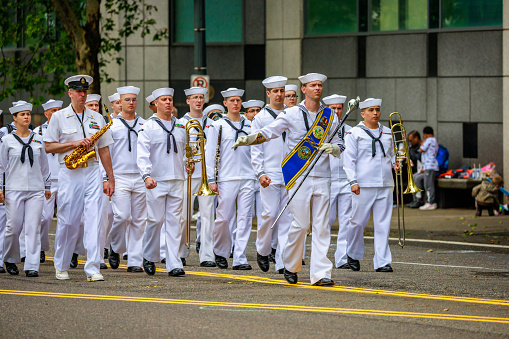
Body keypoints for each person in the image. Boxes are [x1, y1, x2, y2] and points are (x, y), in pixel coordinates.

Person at [234, 73, 344, 286]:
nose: (317, 89)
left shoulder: (331, 115)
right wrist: (249, 139)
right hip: (298, 174)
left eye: (320, 85)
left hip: (323, 175)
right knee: (301, 224)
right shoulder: (292, 113)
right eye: (313, 85)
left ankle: (321, 273)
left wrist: (335, 148)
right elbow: (270, 132)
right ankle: (291, 264)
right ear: (304, 89)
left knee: (322, 226)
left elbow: (340, 141)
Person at [44, 75, 115, 282]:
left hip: (92, 170)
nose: (83, 95)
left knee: (95, 219)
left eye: (85, 91)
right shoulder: (58, 117)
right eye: (79, 91)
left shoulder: (97, 118)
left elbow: (104, 150)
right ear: (70, 93)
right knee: (68, 220)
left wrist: (110, 178)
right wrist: (74, 144)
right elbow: (49, 146)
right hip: (70, 172)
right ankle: (62, 264)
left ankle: (93, 267)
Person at [137, 87, 190, 277]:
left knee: (175, 222)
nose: (168, 102)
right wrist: (146, 175)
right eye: (164, 100)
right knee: (155, 220)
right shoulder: (148, 126)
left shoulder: (181, 125)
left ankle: (174, 263)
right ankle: (149, 256)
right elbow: (142, 154)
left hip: (176, 178)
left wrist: (187, 165)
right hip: (156, 180)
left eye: (170, 99)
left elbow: (183, 152)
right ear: (156, 104)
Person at [343, 98, 399, 273]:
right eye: (371, 110)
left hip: (385, 183)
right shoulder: (355, 133)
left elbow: (392, 154)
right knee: (358, 222)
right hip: (363, 184)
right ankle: (352, 253)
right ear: (362, 113)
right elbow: (349, 161)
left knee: (383, 223)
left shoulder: (388, 132)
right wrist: (353, 181)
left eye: (377, 109)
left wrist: (397, 163)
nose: (375, 113)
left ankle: (383, 261)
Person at [205, 88, 256, 270]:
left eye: (238, 100)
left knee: (245, 218)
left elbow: (256, 151)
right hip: (226, 177)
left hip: (248, 176)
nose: (236, 103)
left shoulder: (250, 125)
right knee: (224, 218)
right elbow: (209, 152)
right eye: (232, 100)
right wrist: (211, 179)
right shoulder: (218, 125)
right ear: (225, 103)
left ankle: (240, 257)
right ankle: (220, 250)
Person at [0, 101, 50, 277]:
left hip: (36, 190)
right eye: (22, 114)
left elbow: (45, 166)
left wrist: (47, 186)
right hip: (14, 189)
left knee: (33, 227)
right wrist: (0, 188)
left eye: (28, 113)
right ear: (14, 118)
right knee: (13, 227)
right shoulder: (6, 141)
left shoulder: (38, 139)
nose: (26, 117)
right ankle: (10, 258)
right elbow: (1, 167)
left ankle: (32, 265)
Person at [250, 76, 293, 274]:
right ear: (268, 93)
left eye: (282, 90)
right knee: (269, 215)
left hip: (290, 173)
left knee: (287, 218)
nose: (279, 94)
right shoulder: (261, 117)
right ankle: (263, 249)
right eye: (275, 91)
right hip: (269, 172)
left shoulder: (293, 114)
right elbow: (256, 148)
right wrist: (260, 172)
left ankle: (283, 261)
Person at [107, 86, 146, 272]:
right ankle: (115, 247)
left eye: (134, 99)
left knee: (139, 220)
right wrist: (106, 178)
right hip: (119, 176)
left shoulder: (144, 124)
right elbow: (105, 154)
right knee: (122, 216)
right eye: (127, 100)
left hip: (140, 176)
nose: (131, 103)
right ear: (120, 102)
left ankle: (135, 261)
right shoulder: (112, 126)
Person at [178, 86, 217, 267]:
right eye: (195, 98)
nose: (199, 101)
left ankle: (207, 255)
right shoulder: (180, 123)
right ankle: (180, 252)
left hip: (206, 176)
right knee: (184, 216)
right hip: (188, 173)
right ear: (188, 101)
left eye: (201, 97)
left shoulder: (212, 123)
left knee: (208, 216)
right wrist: (186, 160)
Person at [322, 94, 352, 269]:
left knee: (346, 220)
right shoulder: (321, 130)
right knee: (327, 220)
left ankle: (342, 258)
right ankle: (322, 257)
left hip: (346, 179)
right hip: (329, 179)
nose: (337, 111)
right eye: (333, 108)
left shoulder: (351, 130)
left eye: (339, 108)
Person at [33, 99, 63, 264]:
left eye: (59, 109)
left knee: (66, 217)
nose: (57, 113)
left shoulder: (65, 129)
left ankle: (65, 251)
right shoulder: (37, 132)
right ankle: (42, 248)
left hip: (65, 178)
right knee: (44, 218)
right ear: (46, 114)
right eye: (53, 110)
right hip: (46, 180)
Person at [411, 126, 439, 210]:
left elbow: (421, 149)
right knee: (426, 183)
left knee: (428, 185)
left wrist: (423, 143)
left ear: (425, 135)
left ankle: (431, 202)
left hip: (430, 166)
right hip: (429, 166)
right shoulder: (434, 141)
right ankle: (426, 201)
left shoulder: (429, 140)